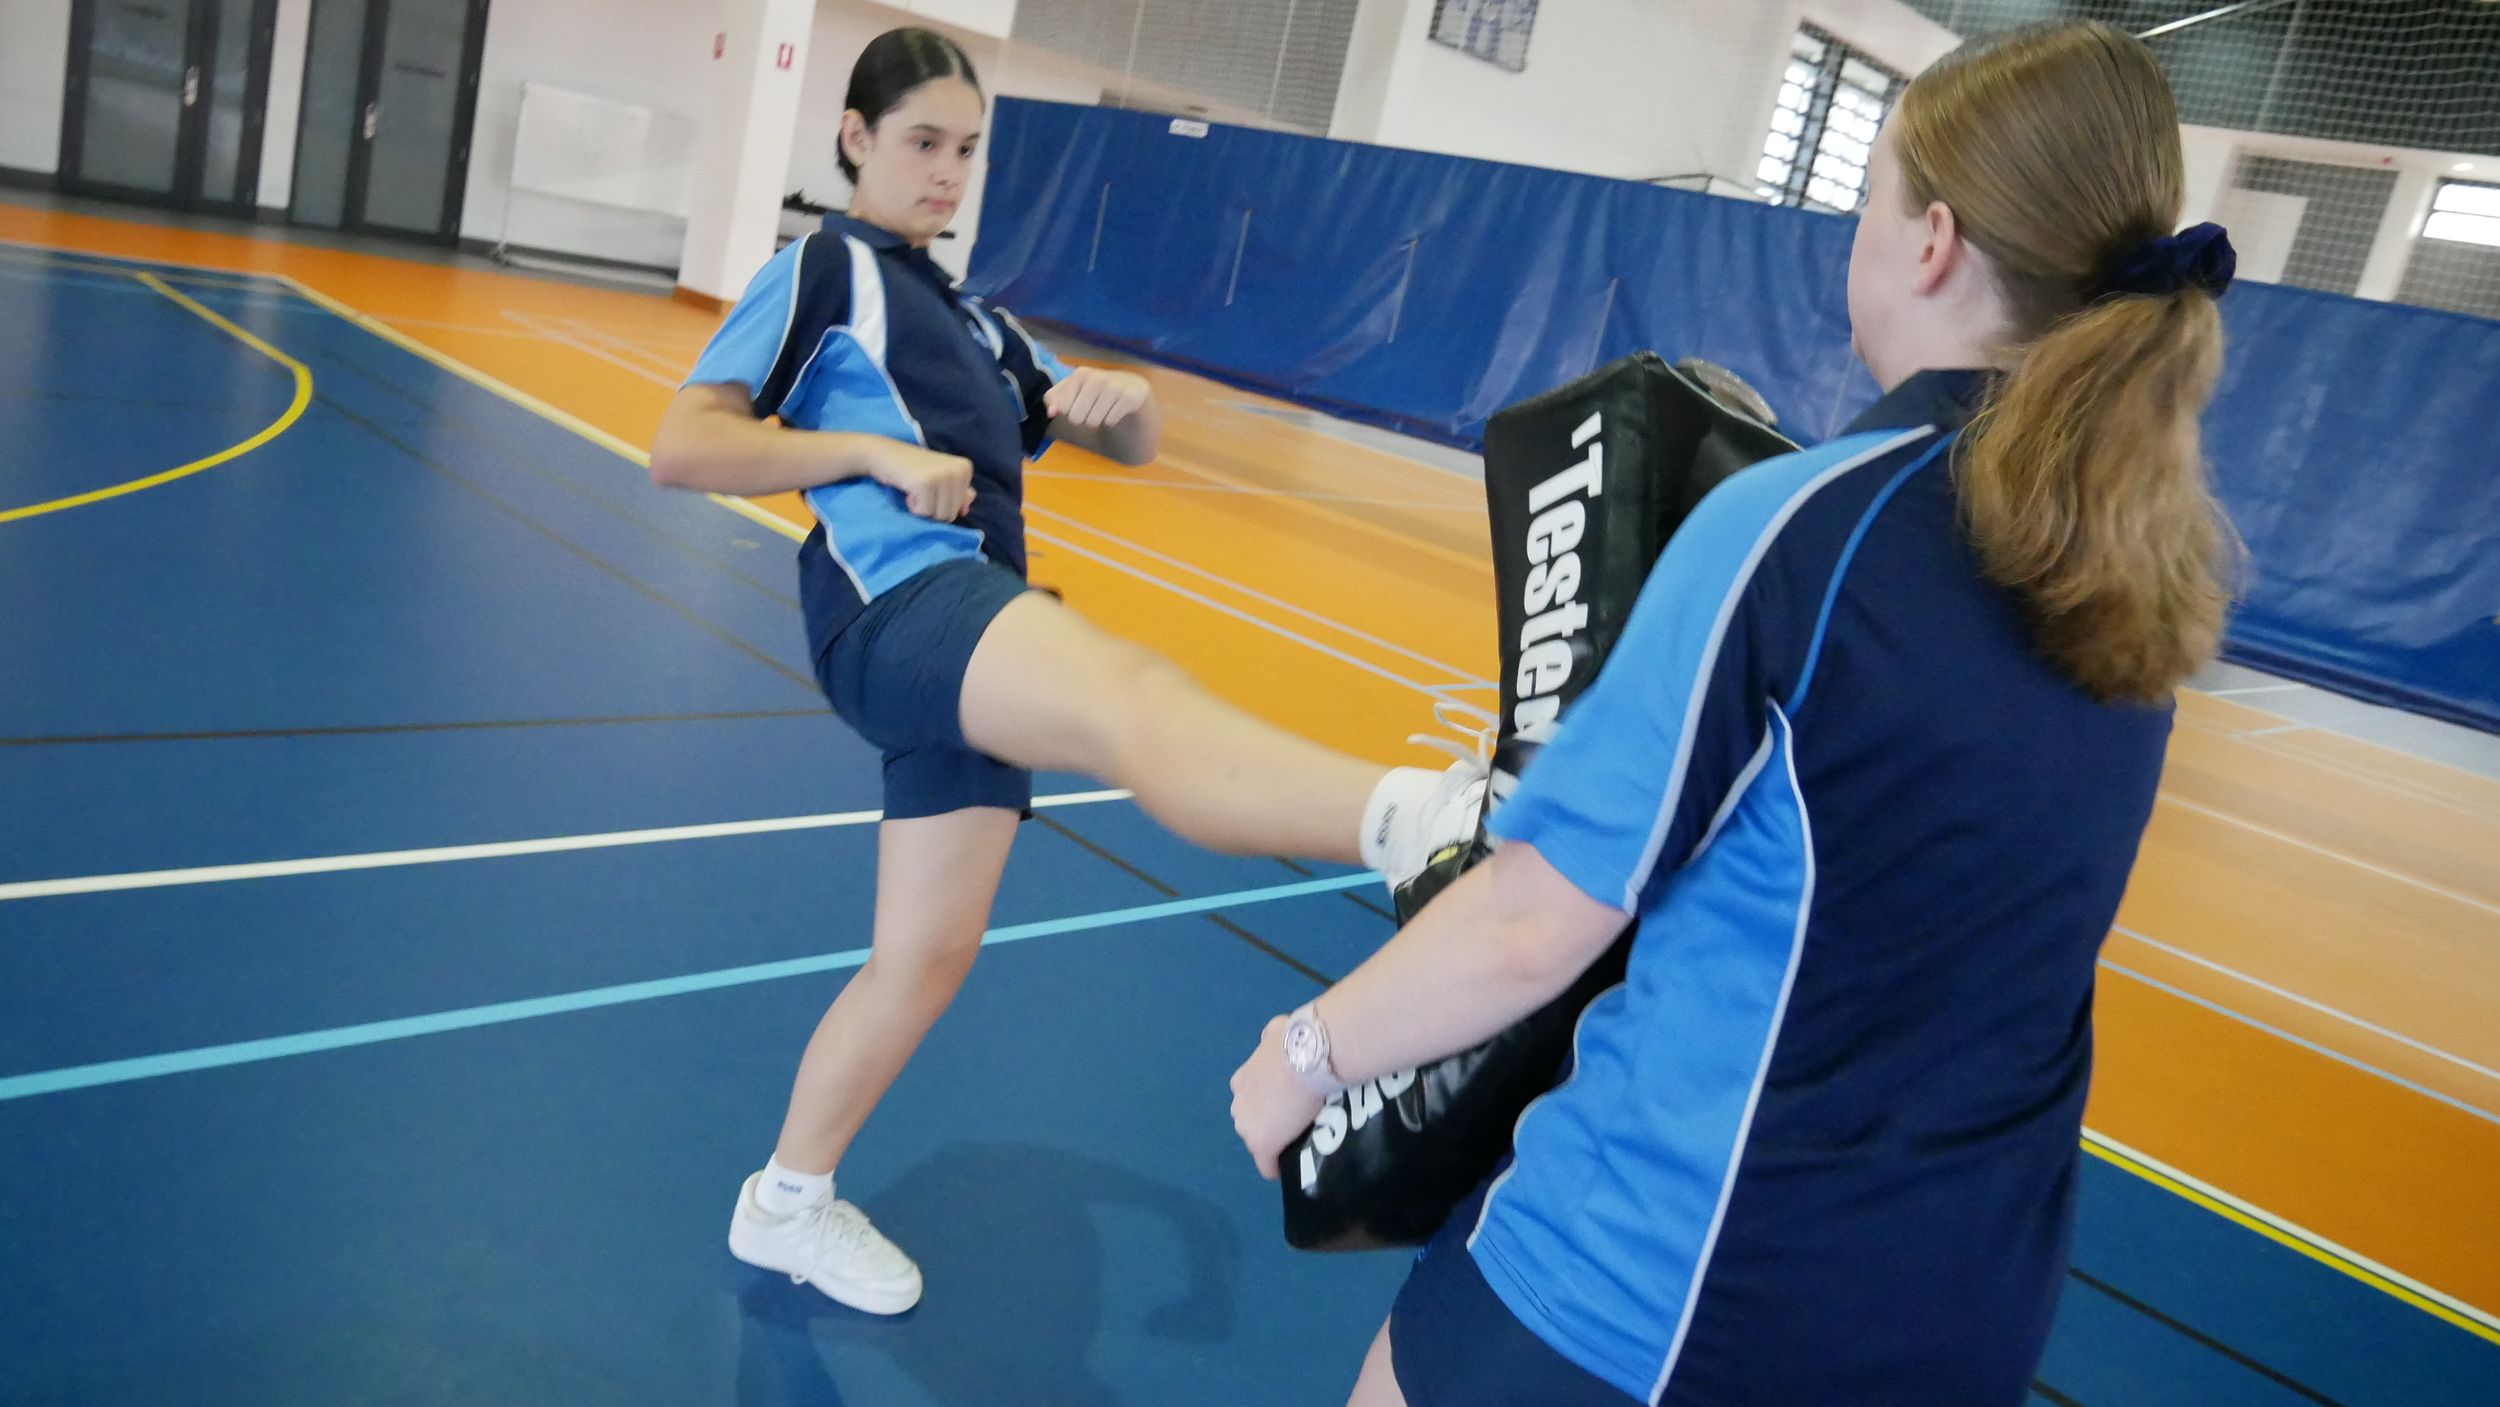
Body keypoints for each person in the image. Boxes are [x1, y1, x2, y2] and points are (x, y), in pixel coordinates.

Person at [1229, 21, 2237, 1407]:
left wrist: (1308, 1054)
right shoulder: (2140, 596)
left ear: (1933, 241)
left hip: (1669, 1287)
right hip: (1962, 1320)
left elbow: (1532, 922)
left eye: (1870, 199)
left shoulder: (1805, 532)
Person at [649, 28, 1482, 1316]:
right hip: (905, 607)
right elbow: (685, 443)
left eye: (967, 150)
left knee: (925, 957)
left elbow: (1129, 442)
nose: (947, 171)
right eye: (922, 142)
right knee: (1125, 696)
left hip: (963, 639)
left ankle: (784, 1204)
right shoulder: (823, 268)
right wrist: (867, 456)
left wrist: (1124, 395)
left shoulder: (978, 322)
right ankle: (1416, 819)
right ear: (857, 139)